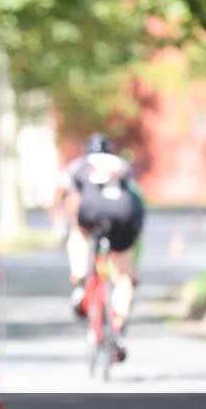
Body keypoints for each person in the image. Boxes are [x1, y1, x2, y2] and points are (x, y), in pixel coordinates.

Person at [63, 133, 144, 359]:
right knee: (123, 276)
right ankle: (117, 329)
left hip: (93, 209)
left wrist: (73, 224)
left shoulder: (80, 166)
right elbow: (134, 196)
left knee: (77, 233)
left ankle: (81, 284)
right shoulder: (122, 165)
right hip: (125, 213)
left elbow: (72, 200)